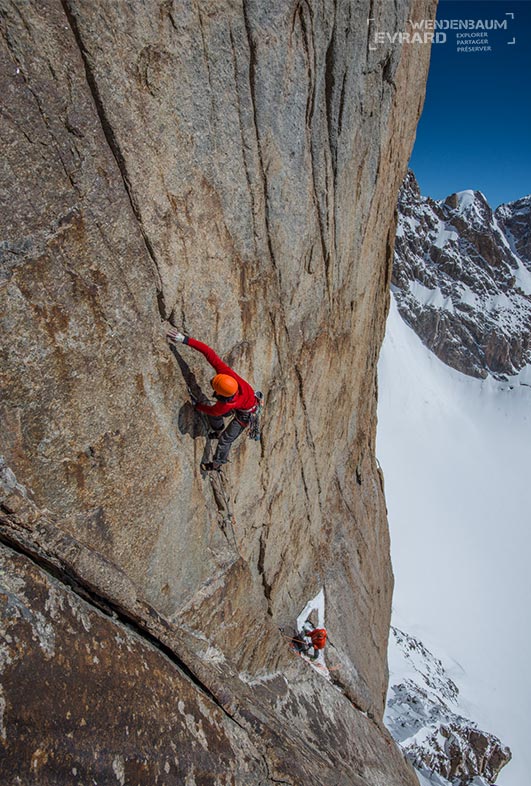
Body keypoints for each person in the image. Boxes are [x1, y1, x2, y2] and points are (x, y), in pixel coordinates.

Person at [167, 328, 258, 471]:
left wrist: (198, 406)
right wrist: (185, 339)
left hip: (246, 414)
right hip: (246, 402)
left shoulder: (228, 404)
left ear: (223, 394)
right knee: (216, 419)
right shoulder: (228, 376)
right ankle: (217, 430)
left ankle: (217, 464)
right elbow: (208, 352)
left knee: (225, 440)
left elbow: (214, 411)